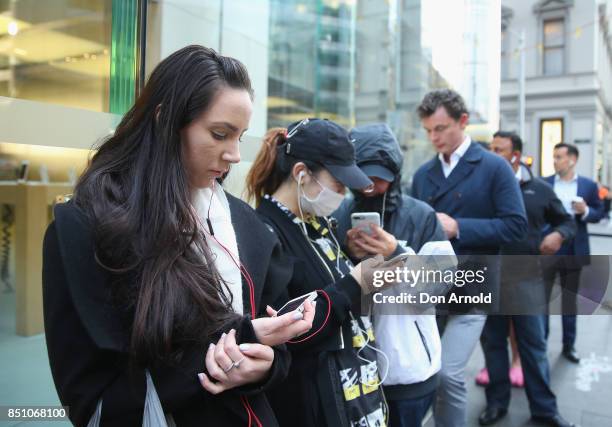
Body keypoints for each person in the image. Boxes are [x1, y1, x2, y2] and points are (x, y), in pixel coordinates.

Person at [43, 45, 316, 427]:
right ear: (164, 120)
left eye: (240, 137)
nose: (235, 154)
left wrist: (263, 366)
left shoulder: (247, 227)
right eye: (220, 134)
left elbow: (278, 354)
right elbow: (90, 401)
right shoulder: (86, 229)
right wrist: (227, 352)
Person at [245, 119, 392, 427]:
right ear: (301, 174)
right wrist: (355, 283)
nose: (343, 194)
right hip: (314, 402)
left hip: (353, 390)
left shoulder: (314, 221)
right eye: (338, 184)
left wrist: (352, 257)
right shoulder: (264, 232)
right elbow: (283, 330)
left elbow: (319, 284)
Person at [411, 89, 528, 427]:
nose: (434, 138)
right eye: (428, 130)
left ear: (463, 121)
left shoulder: (494, 167)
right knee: (425, 371)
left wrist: (458, 227)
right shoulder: (422, 175)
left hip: (473, 287)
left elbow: (516, 226)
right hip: (429, 288)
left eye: (441, 128)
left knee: (448, 373)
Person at [333, 123, 448, 427]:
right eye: (362, 177)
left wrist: (397, 252)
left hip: (409, 367)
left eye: (378, 178)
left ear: (394, 173)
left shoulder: (422, 215)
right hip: (356, 366)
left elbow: (441, 288)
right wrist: (349, 258)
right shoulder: (339, 214)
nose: (369, 186)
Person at [477, 131, 576, 427]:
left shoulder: (541, 190)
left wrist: (558, 235)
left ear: (515, 156)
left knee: (533, 346)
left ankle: (544, 409)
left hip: (527, 281)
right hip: (489, 279)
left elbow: (566, 221)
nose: (492, 154)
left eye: (499, 149)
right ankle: (496, 404)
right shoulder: (483, 189)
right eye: (491, 148)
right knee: (493, 344)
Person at [542, 142, 604, 363]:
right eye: (554, 156)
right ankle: (541, 342)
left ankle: (569, 346)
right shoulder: (545, 183)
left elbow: (599, 212)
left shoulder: (587, 185)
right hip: (549, 247)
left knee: (569, 301)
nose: (555, 161)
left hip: (574, 247)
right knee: (543, 299)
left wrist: (585, 210)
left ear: (572, 159)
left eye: (559, 156)